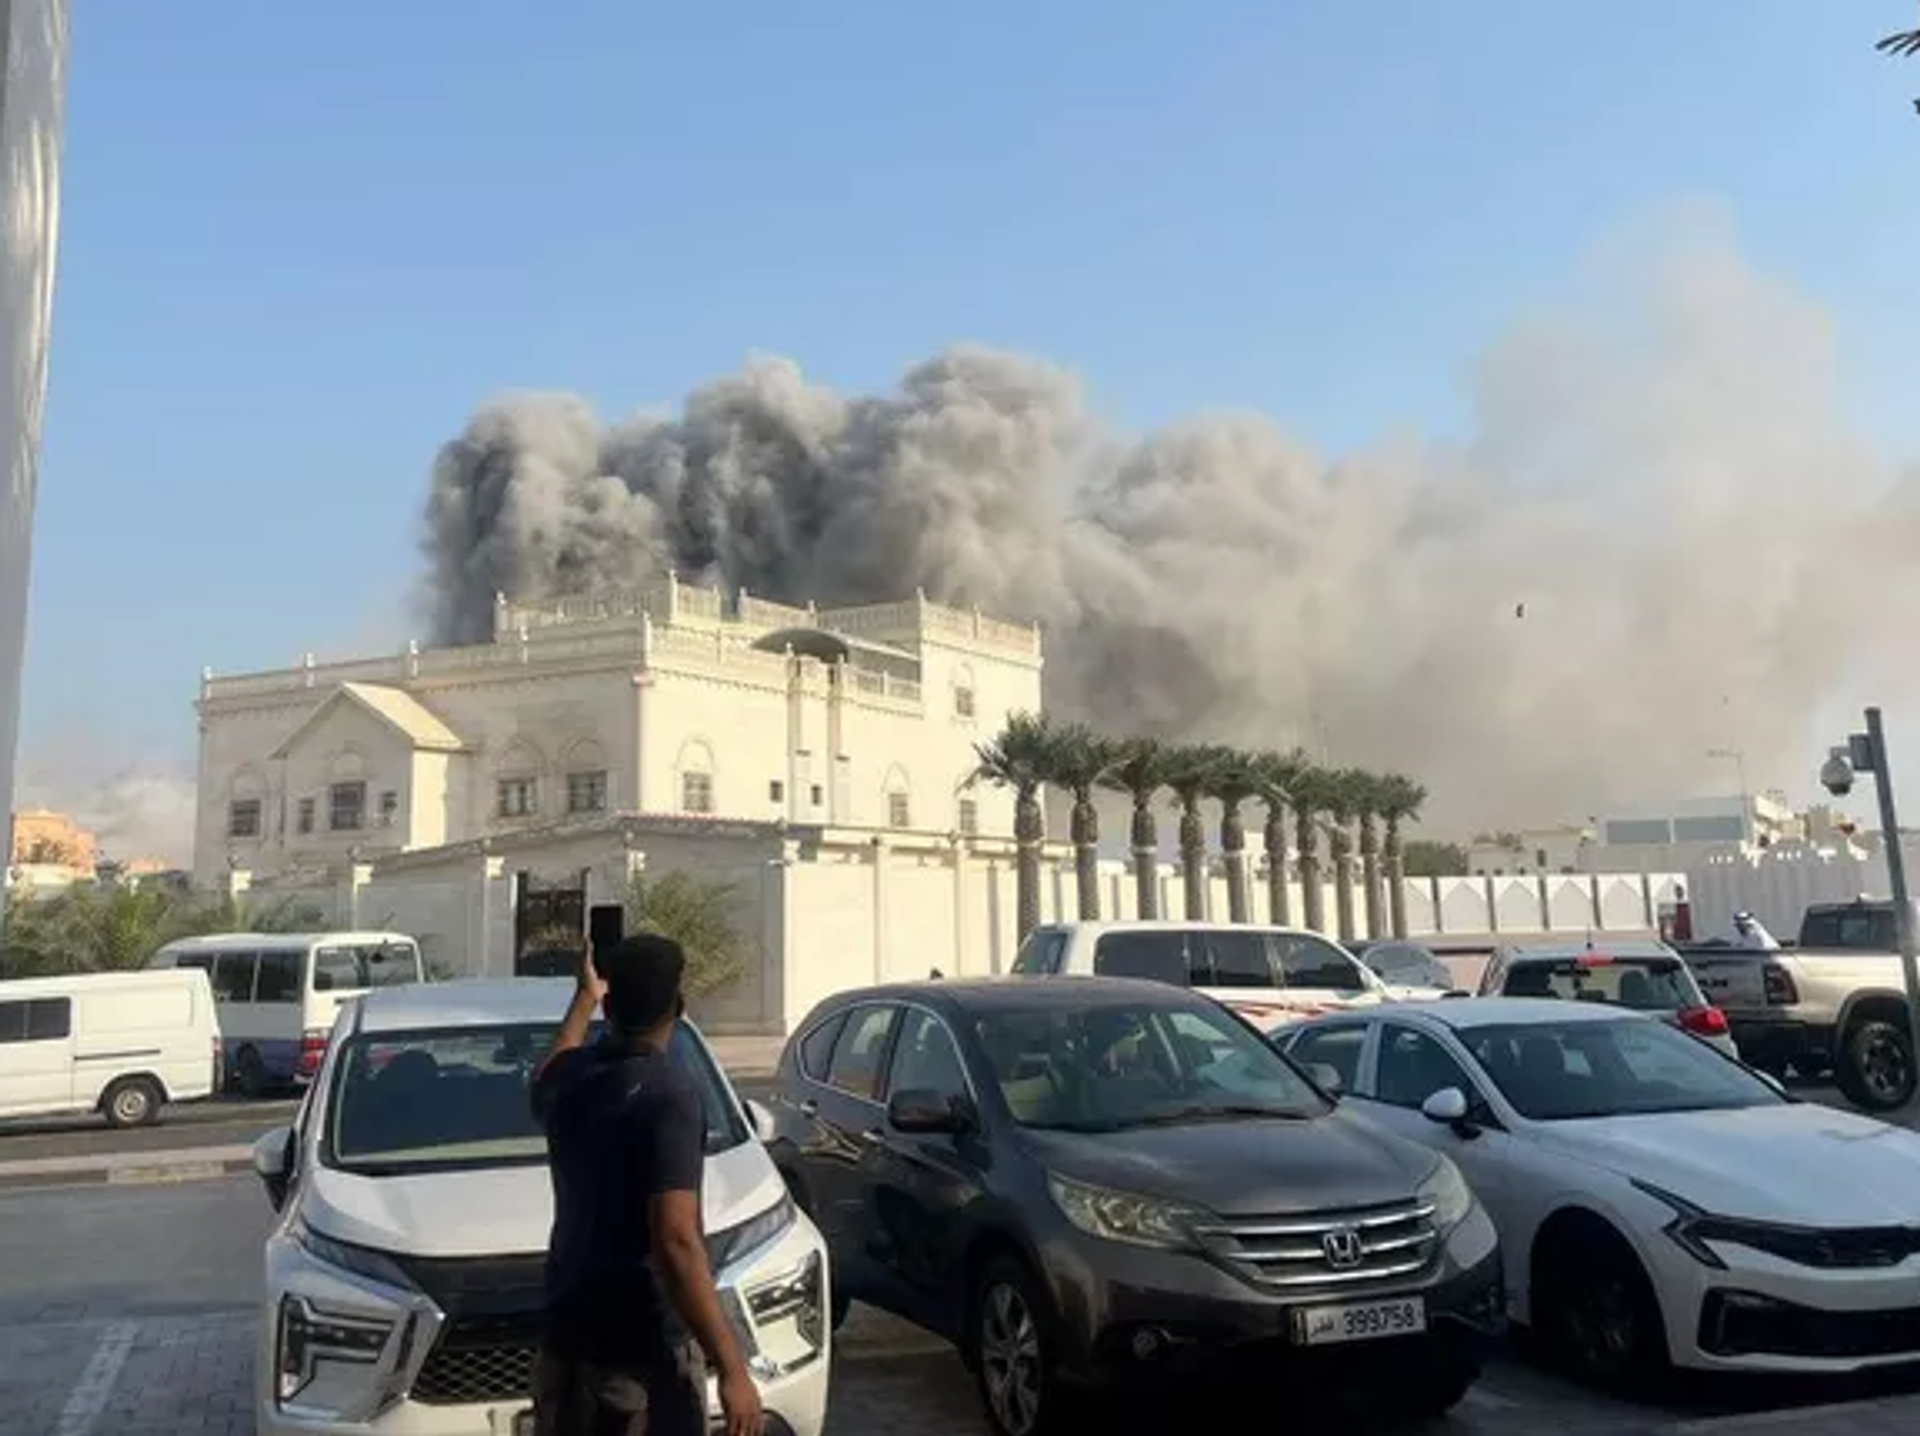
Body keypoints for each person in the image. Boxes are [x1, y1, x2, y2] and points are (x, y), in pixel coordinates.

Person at [528, 935, 764, 1436]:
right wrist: (733, 1368)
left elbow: (548, 1070)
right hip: (639, 1360)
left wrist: (583, 998)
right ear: (678, 1006)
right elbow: (675, 1240)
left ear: (610, 1007)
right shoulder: (668, 1094)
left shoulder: (569, 1077)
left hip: (566, 1345)